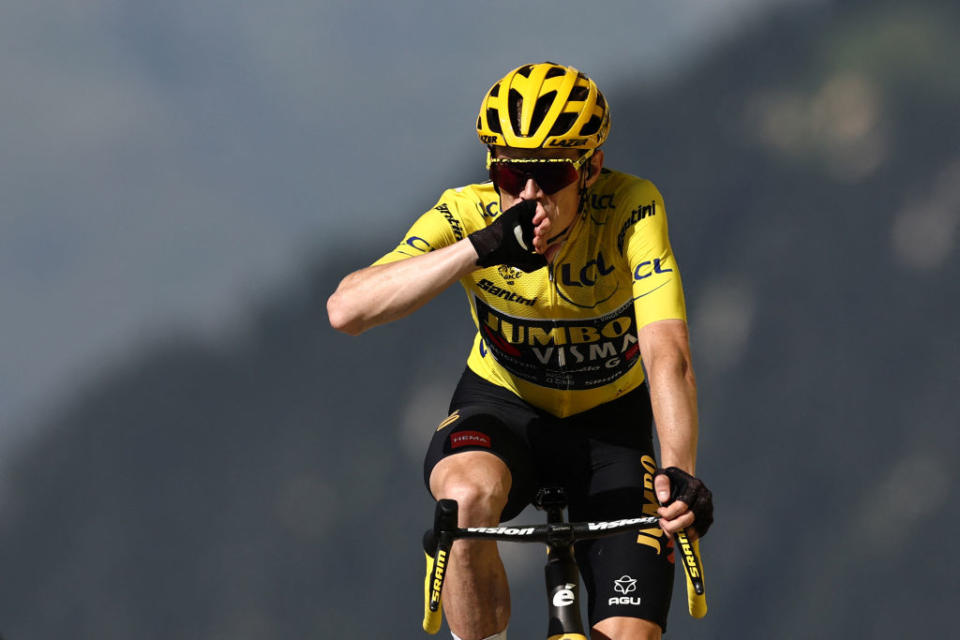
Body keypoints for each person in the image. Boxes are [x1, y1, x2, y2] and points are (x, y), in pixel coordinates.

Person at [327, 62, 713, 640]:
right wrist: (477, 248)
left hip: (610, 431)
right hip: (503, 408)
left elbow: (667, 351)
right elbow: (347, 310)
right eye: (511, 173)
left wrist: (679, 466)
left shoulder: (631, 208)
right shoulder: (468, 213)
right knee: (463, 499)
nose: (529, 196)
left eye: (551, 175)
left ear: (591, 169)